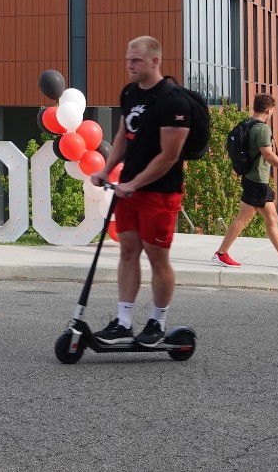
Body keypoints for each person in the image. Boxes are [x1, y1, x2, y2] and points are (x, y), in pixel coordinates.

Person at [90, 35, 193, 346]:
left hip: (160, 192)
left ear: (155, 61)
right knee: (127, 251)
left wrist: (134, 183)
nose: (130, 65)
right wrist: (107, 170)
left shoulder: (173, 101)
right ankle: (123, 322)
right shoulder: (130, 93)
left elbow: (169, 155)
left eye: (136, 60)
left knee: (157, 259)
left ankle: (157, 323)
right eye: (128, 59)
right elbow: (123, 134)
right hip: (129, 191)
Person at [212, 94, 278, 270]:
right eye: (273, 111)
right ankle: (221, 254)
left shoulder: (247, 123)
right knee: (243, 219)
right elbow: (268, 154)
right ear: (269, 110)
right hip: (256, 180)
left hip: (254, 179)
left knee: (272, 218)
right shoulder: (262, 129)